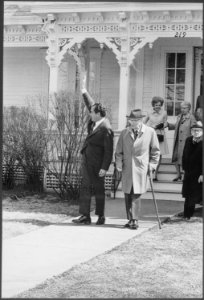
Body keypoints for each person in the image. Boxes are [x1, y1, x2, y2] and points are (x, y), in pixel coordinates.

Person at [72, 75, 114, 225]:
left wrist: (104, 168)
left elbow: (109, 150)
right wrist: (83, 89)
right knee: (85, 188)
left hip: (98, 165)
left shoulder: (106, 128)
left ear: (98, 114)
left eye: (92, 113)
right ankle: (85, 216)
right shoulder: (95, 120)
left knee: (98, 190)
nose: (89, 114)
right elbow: (90, 104)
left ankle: (100, 216)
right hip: (87, 161)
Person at [115, 109, 160, 229]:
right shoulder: (124, 133)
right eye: (131, 120)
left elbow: (155, 151)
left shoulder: (150, 132)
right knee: (127, 193)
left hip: (141, 167)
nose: (133, 122)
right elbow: (118, 152)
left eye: (136, 120)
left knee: (136, 193)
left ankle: (135, 219)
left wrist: (152, 165)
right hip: (127, 168)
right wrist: (118, 164)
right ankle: (130, 219)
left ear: (141, 120)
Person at [168, 101, 196, 181]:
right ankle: (178, 175)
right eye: (181, 108)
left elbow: (194, 130)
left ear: (189, 109)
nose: (182, 110)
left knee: (185, 159)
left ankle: (185, 176)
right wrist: (168, 124)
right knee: (176, 158)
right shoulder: (179, 116)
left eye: (184, 108)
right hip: (177, 140)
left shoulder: (191, 118)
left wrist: (193, 142)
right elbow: (176, 125)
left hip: (186, 142)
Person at [143, 96, 169, 181]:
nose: (157, 106)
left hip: (160, 134)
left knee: (159, 154)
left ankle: (155, 174)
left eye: (159, 105)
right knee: (150, 153)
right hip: (151, 134)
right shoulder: (149, 112)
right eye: (156, 105)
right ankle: (149, 172)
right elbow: (143, 123)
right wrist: (150, 127)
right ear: (153, 105)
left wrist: (161, 125)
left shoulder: (164, 112)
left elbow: (166, 123)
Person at [181, 121, 203, 220]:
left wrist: (202, 174)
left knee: (196, 195)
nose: (196, 132)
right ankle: (187, 215)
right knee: (188, 195)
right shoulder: (188, 140)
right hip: (188, 172)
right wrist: (184, 170)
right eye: (194, 130)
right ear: (191, 131)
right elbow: (184, 155)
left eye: (198, 130)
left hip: (199, 174)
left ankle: (190, 214)